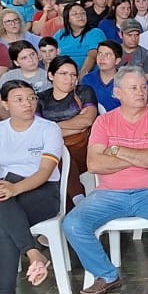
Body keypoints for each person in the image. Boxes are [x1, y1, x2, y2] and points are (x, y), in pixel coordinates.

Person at [65, 68, 148, 294]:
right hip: (109, 193)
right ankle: (106, 274)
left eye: (144, 87)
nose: (141, 92)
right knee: (72, 223)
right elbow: (94, 163)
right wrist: (140, 157)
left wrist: (116, 151)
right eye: (133, 88)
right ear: (117, 93)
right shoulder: (104, 122)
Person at [0, 82, 67, 294]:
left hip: (42, 191)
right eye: (19, 99)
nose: (28, 104)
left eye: (31, 98)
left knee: (3, 218)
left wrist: (13, 189)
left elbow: (45, 172)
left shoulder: (49, 128)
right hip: (7, 189)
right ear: (5, 104)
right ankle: (34, 253)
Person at [36, 55, 97, 204]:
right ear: (51, 75)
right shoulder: (41, 99)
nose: (69, 79)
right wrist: (74, 125)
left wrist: (53, 127)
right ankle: (78, 200)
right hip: (52, 150)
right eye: (63, 74)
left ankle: (77, 201)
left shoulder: (83, 92)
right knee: (57, 152)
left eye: (73, 75)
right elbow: (38, 131)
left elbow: (87, 120)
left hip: (82, 148)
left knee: (57, 152)